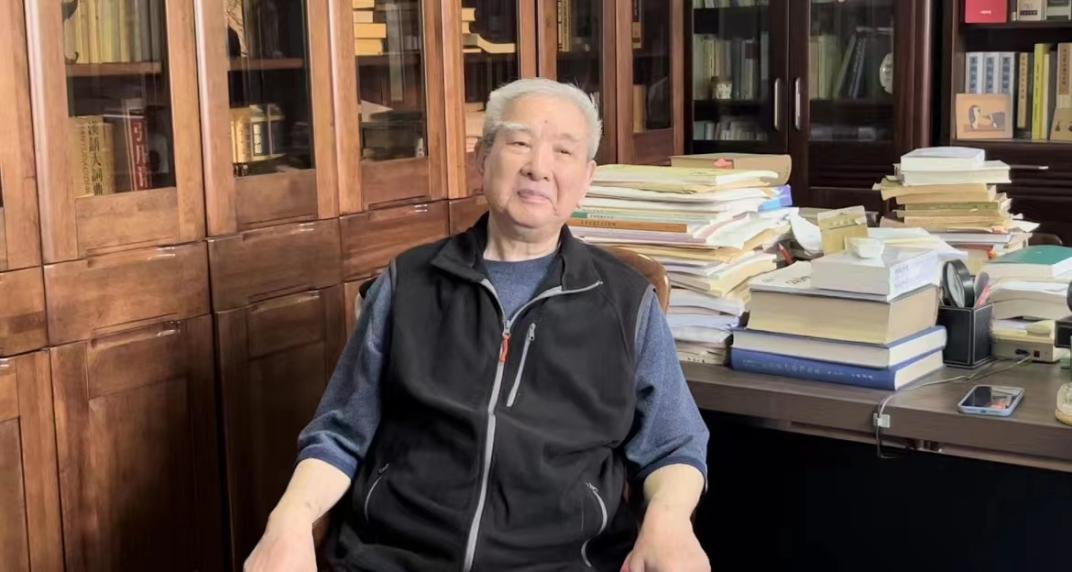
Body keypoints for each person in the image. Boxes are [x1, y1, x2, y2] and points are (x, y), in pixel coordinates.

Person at [245, 78, 710, 572]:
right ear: (482, 158)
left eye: (563, 151)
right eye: (519, 143)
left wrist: (670, 521)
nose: (538, 167)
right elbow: (340, 433)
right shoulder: (408, 283)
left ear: (587, 177)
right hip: (394, 557)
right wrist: (289, 520)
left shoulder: (626, 301)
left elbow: (673, 444)